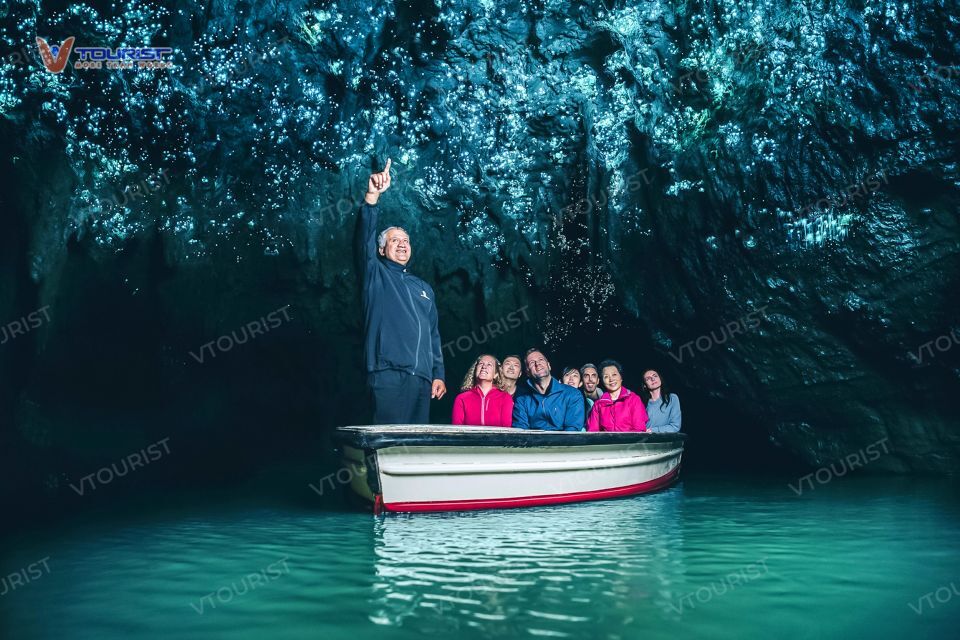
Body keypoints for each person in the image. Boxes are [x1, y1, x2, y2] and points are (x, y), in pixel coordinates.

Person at [356, 158, 446, 424]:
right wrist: (372, 197)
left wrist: (438, 372)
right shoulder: (375, 273)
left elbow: (433, 335)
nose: (402, 244)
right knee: (388, 441)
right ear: (382, 249)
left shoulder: (424, 288)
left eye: (406, 241)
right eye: (395, 240)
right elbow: (364, 239)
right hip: (387, 373)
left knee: (414, 445)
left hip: (422, 378)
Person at [512, 348, 585, 431]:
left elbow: (572, 431)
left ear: (549, 366)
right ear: (528, 372)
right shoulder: (522, 400)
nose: (537, 364)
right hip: (534, 443)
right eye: (532, 363)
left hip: (564, 443)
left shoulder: (573, 394)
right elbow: (520, 432)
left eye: (541, 359)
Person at [451, 354, 514, 427]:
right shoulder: (462, 398)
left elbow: (506, 430)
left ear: (496, 374)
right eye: (481, 364)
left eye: (489, 365)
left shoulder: (505, 398)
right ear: (475, 371)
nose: (484, 367)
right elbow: (457, 430)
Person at [586, 359, 649, 432]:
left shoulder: (634, 399)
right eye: (606, 376)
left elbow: (639, 430)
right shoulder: (598, 405)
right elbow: (593, 432)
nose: (611, 379)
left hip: (631, 442)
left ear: (621, 377)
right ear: (602, 381)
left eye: (614, 374)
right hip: (607, 443)